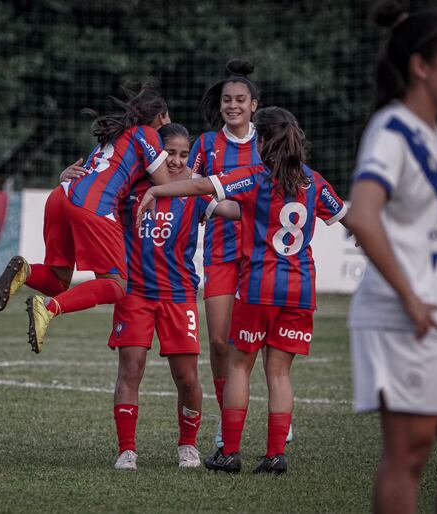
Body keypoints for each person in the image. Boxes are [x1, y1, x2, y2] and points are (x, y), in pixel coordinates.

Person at [137, 106, 351, 474]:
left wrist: (158, 189)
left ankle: (229, 452)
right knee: (280, 374)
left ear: (263, 141)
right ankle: (274, 454)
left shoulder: (254, 177)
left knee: (239, 365)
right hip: (300, 289)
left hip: (257, 286)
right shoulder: (314, 181)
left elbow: (203, 185)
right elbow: (347, 217)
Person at [347, 2, 437, 512]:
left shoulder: (434, 135)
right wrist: (410, 297)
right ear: (421, 66)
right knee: (408, 454)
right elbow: (363, 216)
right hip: (400, 319)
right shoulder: (392, 131)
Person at [0, 85, 171, 353]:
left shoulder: (115, 136)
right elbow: (166, 183)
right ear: (158, 116)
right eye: (166, 118)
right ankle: (48, 309)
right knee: (116, 285)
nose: (168, 124)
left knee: (57, 281)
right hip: (93, 205)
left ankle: (25, 271)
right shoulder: (147, 134)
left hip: (60, 197)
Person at [108, 123, 213, 471]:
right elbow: (93, 195)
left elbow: (234, 209)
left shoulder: (196, 190)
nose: (177, 161)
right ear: (156, 154)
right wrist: (67, 178)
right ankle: (126, 450)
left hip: (179, 297)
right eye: (170, 153)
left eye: (184, 154)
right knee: (130, 371)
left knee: (187, 378)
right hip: (134, 294)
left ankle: (188, 445)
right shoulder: (133, 188)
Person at [188, 59, 266, 452]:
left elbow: (288, 184)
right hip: (219, 251)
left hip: (262, 256)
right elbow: (185, 182)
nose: (232, 105)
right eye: (226, 100)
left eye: (240, 99)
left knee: (264, 341)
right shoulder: (204, 144)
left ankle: (279, 419)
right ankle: (226, 420)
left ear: (254, 104)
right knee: (219, 340)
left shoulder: (269, 141)